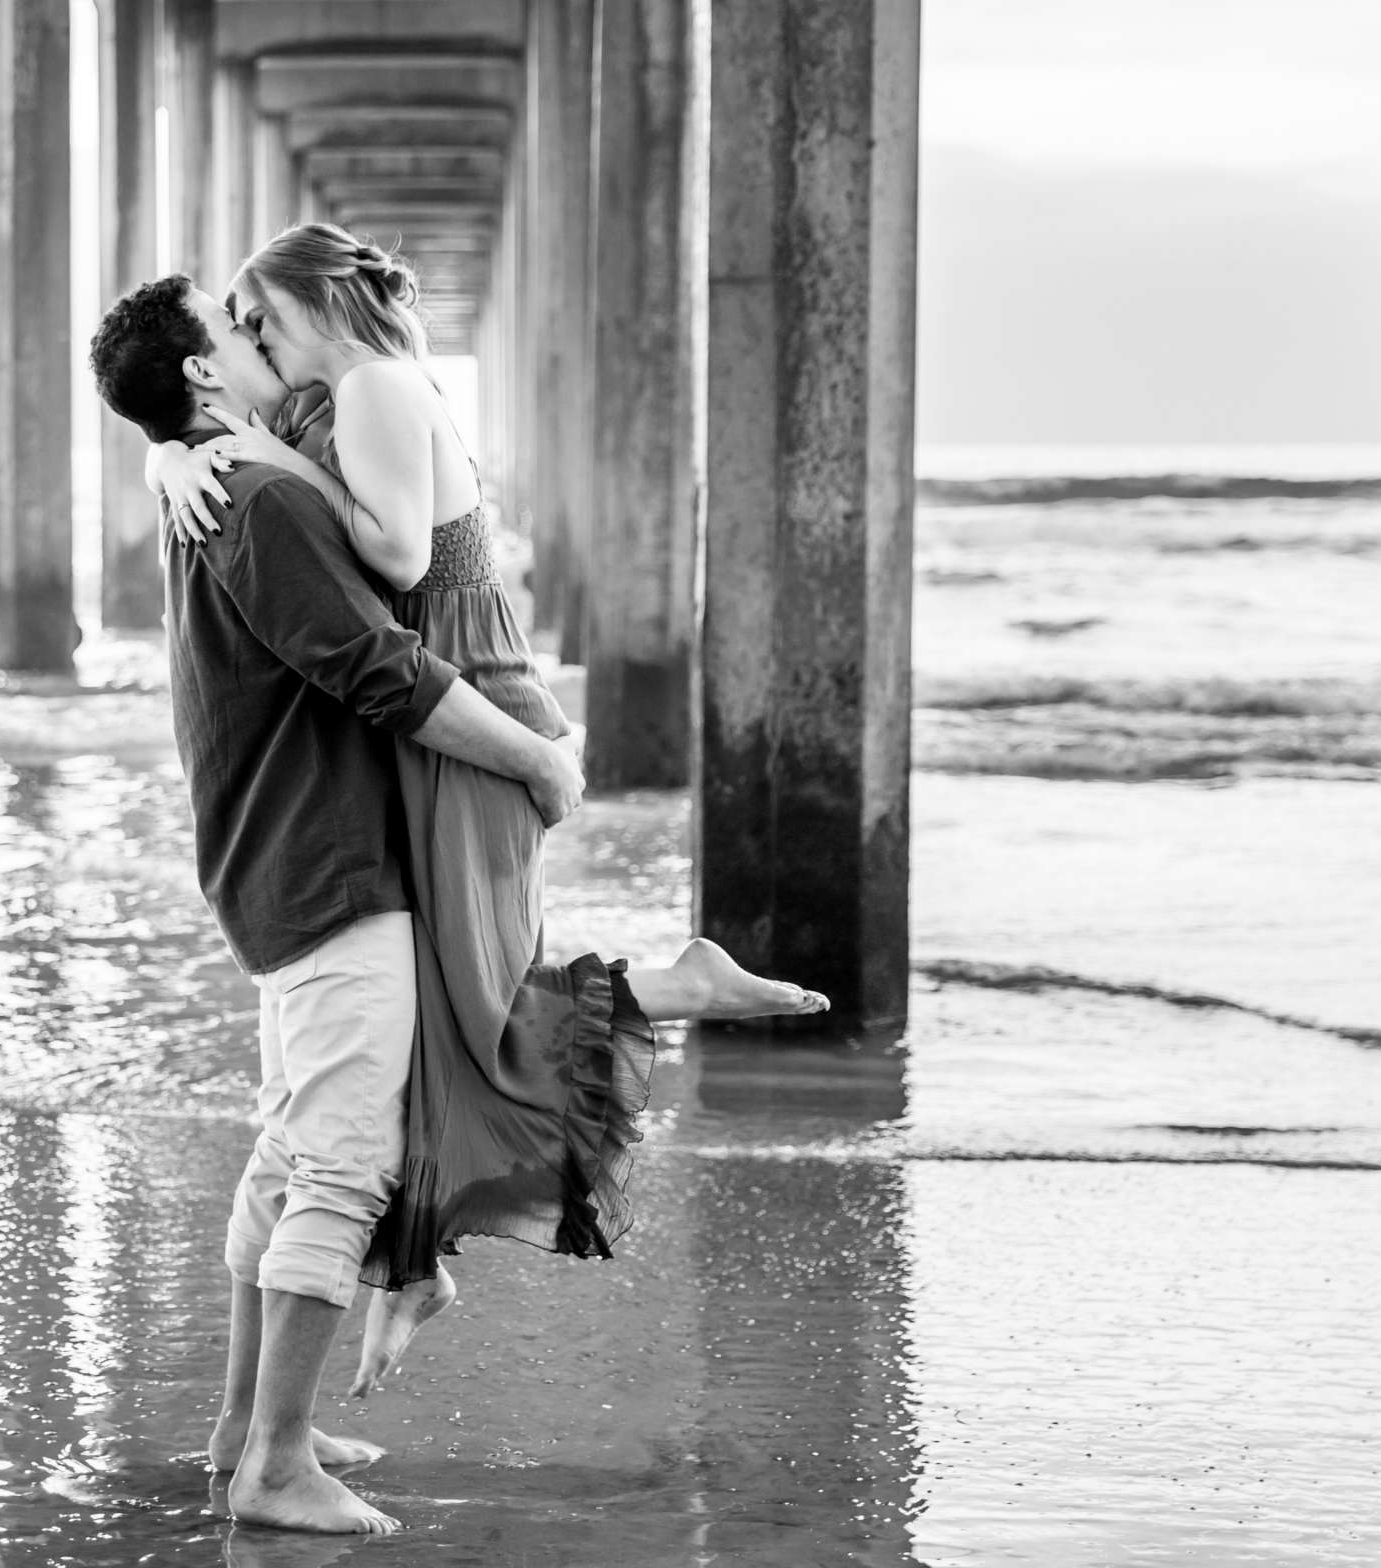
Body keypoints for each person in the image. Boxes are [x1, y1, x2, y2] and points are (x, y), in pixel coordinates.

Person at [145, 224, 828, 1399]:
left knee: (478, 1005)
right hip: (445, 702)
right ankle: (423, 1248)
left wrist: (251, 452)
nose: (253, 338)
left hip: (470, 696)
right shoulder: (329, 401)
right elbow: (222, 449)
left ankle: (659, 1007)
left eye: (261, 316)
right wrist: (174, 455)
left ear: (314, 306)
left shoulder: (371, 385)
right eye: (236, 329)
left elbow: (397, 558)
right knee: (461, 1007)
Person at [89, 272, 591, 1536]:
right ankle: (274, 1465)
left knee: (285, 1155)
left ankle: (247, 1433)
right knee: (343, 1167)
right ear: (203, 373)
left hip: (279, 860)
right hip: (328, 866)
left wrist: (170, 457)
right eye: (235, 327)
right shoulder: (251, 495)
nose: (259, 338)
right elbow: (379, 669)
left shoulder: (223, 477)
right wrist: (531, 758)